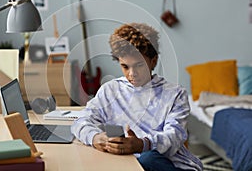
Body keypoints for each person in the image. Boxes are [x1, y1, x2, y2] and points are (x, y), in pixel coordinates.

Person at [71, 23, 203, 171]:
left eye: (139, 65)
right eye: (125, 67)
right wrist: (94, 138)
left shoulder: (175, 94)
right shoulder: (110, 91)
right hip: (125, 163)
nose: (132, 74)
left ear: (153, 61)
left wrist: (142, 144)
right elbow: (80, 121)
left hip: (167, 164)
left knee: (147, 158)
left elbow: (174, 137)